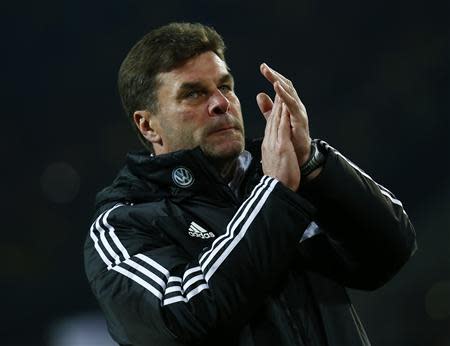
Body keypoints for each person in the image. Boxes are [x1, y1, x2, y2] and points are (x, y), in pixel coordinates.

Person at [84, 22, 416, 346]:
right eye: (194, 94)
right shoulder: (124, 225)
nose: (221, 104)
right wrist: (274, 195)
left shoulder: (288, 174)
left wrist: (314, 164)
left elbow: (391, 251)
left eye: (225, 86)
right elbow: (182, 315)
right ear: (147, 125)